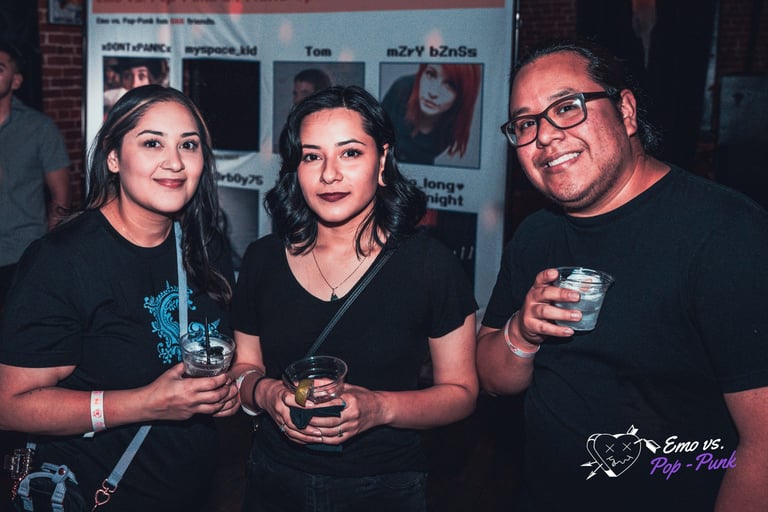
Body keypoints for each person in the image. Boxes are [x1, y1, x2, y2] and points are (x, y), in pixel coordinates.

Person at [477, 38, 768, 511]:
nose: (544, 136)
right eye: (526, 123)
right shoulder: (535, 234)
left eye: (566, 107)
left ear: (626, 112)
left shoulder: (726, 234)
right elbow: (492, 379)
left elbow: (763, 445)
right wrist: (522, 332)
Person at [230, 85, 478, 512]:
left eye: (349, 153)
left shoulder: (430, 265)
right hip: (274, 477)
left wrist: (379, 408)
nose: (330, 174)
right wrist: (266, 394)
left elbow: (461, 393)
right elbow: (244, 369)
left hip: (384, 486)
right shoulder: (262, 259)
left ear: (381, 161)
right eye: (312, 156)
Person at [0, 85, 238, 511]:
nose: (175, 162)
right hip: (91, 492)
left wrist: (226, 393)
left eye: (188, 144)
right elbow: (9, 406)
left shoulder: (205, 248)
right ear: (113, 157)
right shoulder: (63, 260)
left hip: (189, 494)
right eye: (152, 143)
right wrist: (146, 403)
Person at [0, 41, 71, 310]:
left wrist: (46, 252)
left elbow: (61, 197)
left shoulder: (39, 128)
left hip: (19, 255)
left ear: (16, 81)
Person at [381, 63, 481, 165]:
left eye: (450, 85)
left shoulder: (454, 123)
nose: (433, 93)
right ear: (421, 74)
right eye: (430, 74)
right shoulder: (402, 89)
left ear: (462, 96)